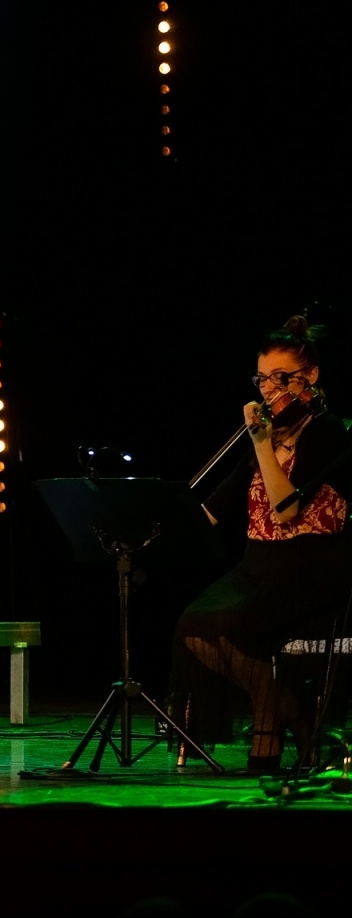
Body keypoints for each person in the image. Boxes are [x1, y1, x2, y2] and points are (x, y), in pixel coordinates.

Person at [170, 315, 350, 772]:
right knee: (193, 625)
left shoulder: (327, 431)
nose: (269, 390)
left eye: (280, 378)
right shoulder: (266, 437)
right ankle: (284, 709)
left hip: (309, 567)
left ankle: (270, 722)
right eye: (262, 379)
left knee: (232, 624)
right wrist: (158, 525)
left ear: (310, 377)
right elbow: (214, 507)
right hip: (258, 566)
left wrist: (263, 444)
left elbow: (286, 508)